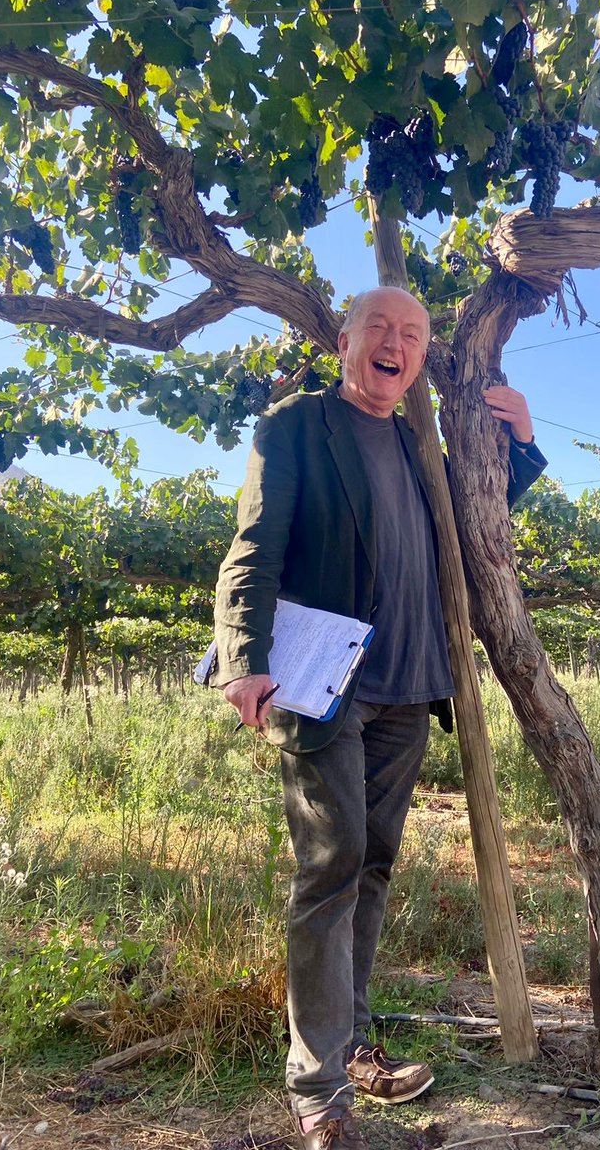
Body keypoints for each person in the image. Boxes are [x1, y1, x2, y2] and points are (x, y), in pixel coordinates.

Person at [214, 287, 546, 1150]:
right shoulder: (296, 426)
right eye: (379, 330)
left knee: (373, 865)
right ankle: (318, 1090)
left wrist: (519, 443)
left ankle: (352, 1044)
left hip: (413, 681)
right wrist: (244, 656)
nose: (395, 345)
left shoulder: (420, 440)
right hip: (327, 683)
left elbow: (484, 516)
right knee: (332, 863)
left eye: (412, 334)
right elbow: (253, 547)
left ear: (422, 353)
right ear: (344, 341)